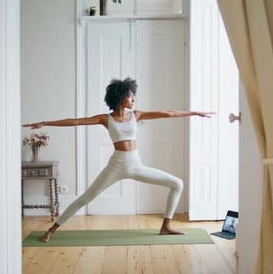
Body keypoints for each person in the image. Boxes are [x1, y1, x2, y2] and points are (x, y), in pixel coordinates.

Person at [22, 77, 214, 242]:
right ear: (121, 97)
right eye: (131, 95)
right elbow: (76, 121)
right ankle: (51, 230)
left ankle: (166, 226)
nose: (134, 98)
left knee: (177, 183)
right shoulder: (106, 119)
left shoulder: (136, 115)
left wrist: (195, 113)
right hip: (116, 166)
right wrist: (45, 123)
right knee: (86, 198)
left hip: (136, 165)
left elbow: (169, 113)